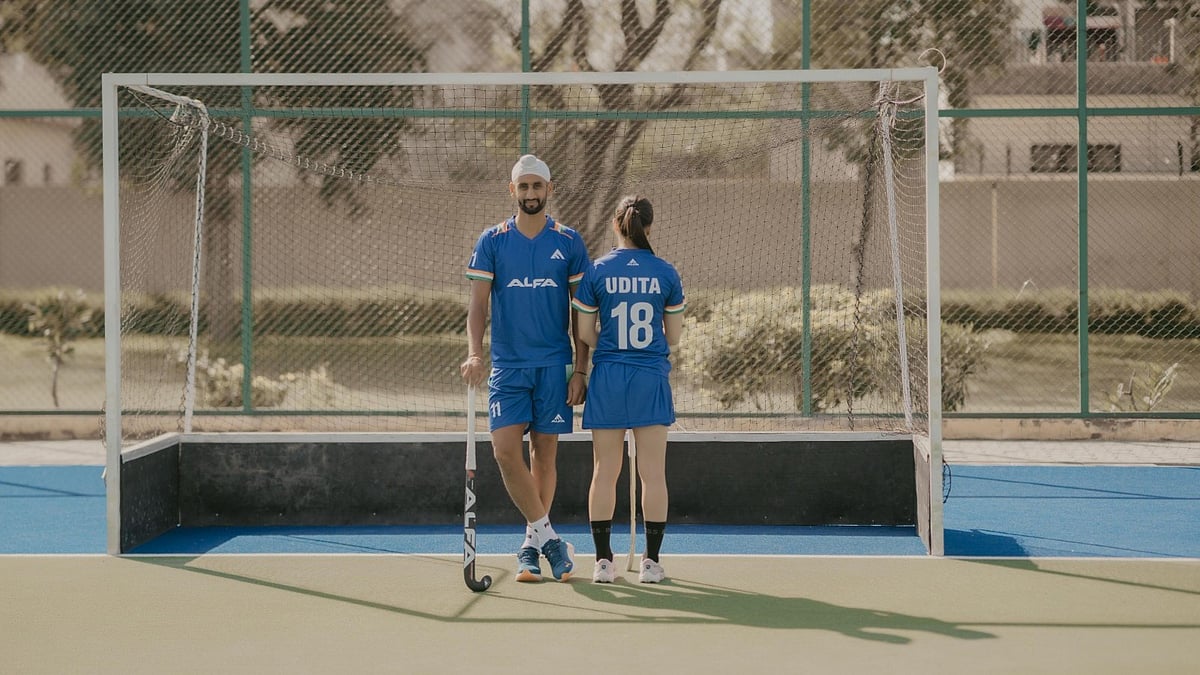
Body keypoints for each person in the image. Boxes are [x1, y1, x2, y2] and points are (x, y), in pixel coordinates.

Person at [460, 154, 590, 582]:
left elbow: (580, 314)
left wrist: (581, 370)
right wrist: (476, 353)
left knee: (544, 457)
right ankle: (551, 539)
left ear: (549, 190)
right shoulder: (492, 241)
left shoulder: (568, 241)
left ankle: (530, 549)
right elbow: (478, 305)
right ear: (512, 190)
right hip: (509, 369)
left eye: (538, 186)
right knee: (503, 452)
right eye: (524, 186)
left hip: (553, 366)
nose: (531, 193)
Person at [571, 195, 685, 584]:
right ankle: (652, 565)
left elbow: (586, 333)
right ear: (649, 227)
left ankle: (603, 563)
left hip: (608, 378)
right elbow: (673, 336)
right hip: (649, 377)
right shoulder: (666, 273)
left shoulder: (597, 271)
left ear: (615, 226)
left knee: (604, 471)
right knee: (654, 474)